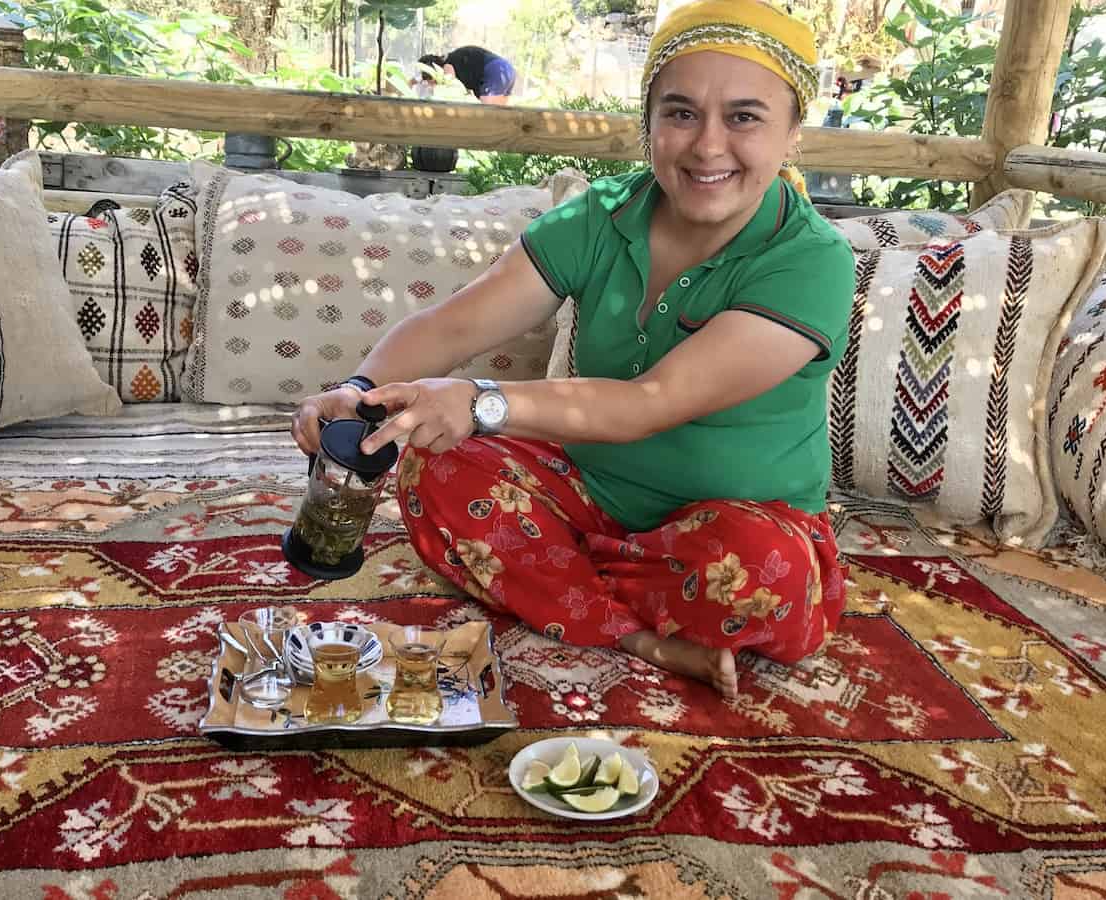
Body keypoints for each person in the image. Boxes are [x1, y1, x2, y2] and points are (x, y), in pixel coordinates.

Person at [293, 0, 855, 700]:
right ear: (648, 123)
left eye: (744, 117)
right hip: (588, 491)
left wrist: (481, 403)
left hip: (732, 522)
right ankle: (640, 634)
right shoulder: (602, 216)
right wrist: (357, 387)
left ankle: (566, 584)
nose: (709, 146)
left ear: (793, 131)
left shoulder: (811, 259)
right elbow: (457, 325)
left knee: (763, 567)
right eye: (680, 113)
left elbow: (654, 403)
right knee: (436, 470)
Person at [412, 46, 516, 105]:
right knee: (499, 118)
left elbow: (449, 85)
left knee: (488, 115)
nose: (431, 85)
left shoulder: (447, 67)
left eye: (431, 82)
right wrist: (412, 82)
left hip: (495, 71)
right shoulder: (451, 59)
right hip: (506, 70)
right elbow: (421, 76)